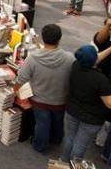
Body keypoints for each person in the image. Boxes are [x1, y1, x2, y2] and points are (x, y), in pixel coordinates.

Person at [61, 45, 111, 162]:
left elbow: (92, 59)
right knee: (80, 144)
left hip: (72, 111)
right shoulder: (101, 80)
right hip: (92, 119)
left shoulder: (76, 65)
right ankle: (73, 165)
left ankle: (63, 161)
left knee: (69, 138)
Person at [14, 24, 75, 153]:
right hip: (60, 100)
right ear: (59, 39)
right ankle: (56, 139)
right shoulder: (70, 58)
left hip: (39, 100)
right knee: (58, 121)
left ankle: (40, 146)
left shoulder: (32, 58)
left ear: (42, 38)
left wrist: (15, 90)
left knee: (42, 124)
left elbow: (21, 78)